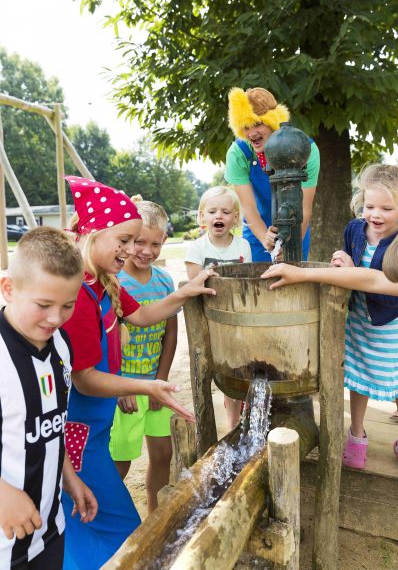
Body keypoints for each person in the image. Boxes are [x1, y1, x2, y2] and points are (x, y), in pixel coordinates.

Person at [60, 176, 216, 570]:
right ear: (93, 233)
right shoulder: (79, 293)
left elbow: (144, 315)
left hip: (93, 430)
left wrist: (184, 292)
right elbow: (85, 378)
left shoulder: (104, 282)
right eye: (125, 240)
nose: (131, 250)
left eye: (137, 241)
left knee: (93, 523)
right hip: (78, 435)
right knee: (110, 525)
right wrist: (146, 386)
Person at [262, 164, 398, 465]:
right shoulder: (355, 230)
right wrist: (345, 265)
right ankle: (357, 434)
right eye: (369, 205)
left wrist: (310, 274)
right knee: (359, 378)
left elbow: (374, 280)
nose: (375, 214)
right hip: (361, 319)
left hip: (394, 326)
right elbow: (353, 274)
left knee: (396, 379)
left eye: (387, 208)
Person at [0, 227, 97, 570]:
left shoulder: (59, 344)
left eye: (67, 306)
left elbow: (51, 425)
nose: (56, 318)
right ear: (9, 288)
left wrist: (69, 477)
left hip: (49, 530)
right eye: (43, 305)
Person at [109, 200, 177, 514]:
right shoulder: (115, 282)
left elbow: (171, 333)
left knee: (163, 454)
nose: (146, 251)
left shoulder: (165, 282)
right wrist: (122, 387)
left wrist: (160, 380)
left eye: (156, 244)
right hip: (123, 388)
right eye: (139, 242)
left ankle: (155, 518)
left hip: (154, 384)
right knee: (119, 461)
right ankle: (106, 518)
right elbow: (108, 338)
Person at [224, 87, 320, 261]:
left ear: (273, 121)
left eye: (258, 124)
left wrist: (292, 244)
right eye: (246, 127)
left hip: (296, 225)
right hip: (257, 230)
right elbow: (249, 210)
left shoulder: (306, 149)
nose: (252, 133)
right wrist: (265, 239)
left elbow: (304, 209)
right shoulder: (239, 153)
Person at [185, 186, 251, 430]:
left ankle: (233, 423)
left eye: (225, 211)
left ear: (235, 217)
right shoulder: (198, 248)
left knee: (234, 370)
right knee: (209, 370)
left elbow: (247, 280)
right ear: (203, 217)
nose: (218, 216)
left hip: (235, 318)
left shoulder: (242, 246)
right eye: (212, 211)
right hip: (209, 317)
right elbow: (193, 284)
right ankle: (206, 424)